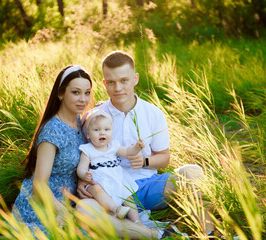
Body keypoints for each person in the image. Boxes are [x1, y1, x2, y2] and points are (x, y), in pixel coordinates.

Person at [12, 65, 161, 239]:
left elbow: (96, 131)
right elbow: (39, 185)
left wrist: (82, 179)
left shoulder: (78, 119)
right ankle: (154, 235)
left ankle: (149, 232)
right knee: (91, 217)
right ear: (60, 94)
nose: (83, 99)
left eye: (87, 93)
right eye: (76, 92)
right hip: (48, 207)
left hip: (76, 197)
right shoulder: (52, 131)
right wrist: (64, 212)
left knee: (100, 211)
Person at [77, 51, 215, 236]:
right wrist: (81, 181)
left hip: (148, 186)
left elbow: (164, 157)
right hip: (110, 193)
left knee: (193, 171)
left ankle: (209, 234)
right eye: (111, 82)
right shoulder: (93, 117)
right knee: (85, 209)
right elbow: (84, 156)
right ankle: (157, 235)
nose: (118, 88)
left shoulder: (153, 113)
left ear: (135, 79)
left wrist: (145, 162)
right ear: (104, 83)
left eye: (124, 80)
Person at [77, 109, 145, 223]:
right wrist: (84, 174)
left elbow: (128, 151)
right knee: (96, 191)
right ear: (88, 134)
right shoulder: (87, 149)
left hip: (117, 179)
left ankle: (137, 221)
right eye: (96, 130)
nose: (102, 133)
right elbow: (81, 167)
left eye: (106, 129)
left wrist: (137, 148)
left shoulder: (113, 146)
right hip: (99, 181)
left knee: (127, 195)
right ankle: (116, 209)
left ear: (112, 132)